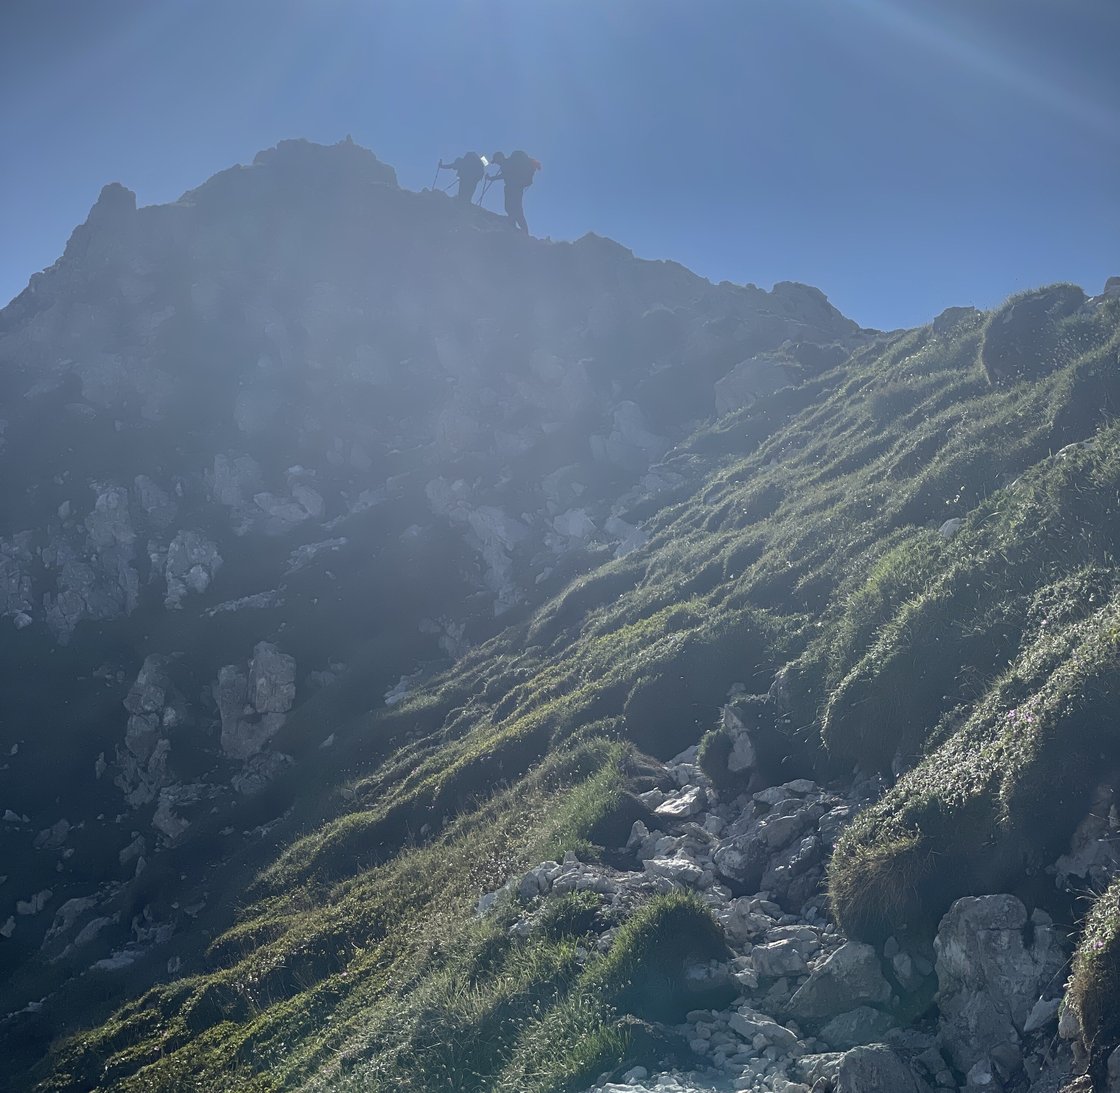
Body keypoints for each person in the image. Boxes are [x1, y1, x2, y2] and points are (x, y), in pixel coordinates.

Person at [488, 150, 541, 233]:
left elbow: (505, 175)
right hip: (516, 188)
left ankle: (520, 230)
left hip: (513, 188)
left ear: (500, 158)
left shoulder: (507, 164)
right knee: (514, 209)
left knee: (513, 208)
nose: (497, 163)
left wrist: (492, 178)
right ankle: (520, 230)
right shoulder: (509, 163)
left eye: (496, 161)